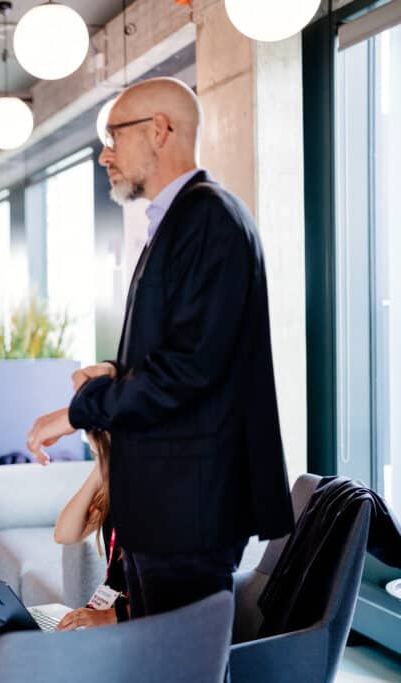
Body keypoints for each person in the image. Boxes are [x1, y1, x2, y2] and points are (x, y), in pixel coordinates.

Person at [27, 77, 294, 619]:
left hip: (189, 509)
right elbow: (184, 349)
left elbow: (189, 368)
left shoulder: (209, 218)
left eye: (113, 137)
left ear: (159, 130)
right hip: (167, 508)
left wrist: (78, 412)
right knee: (156, 658)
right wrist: (115, 370)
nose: (104, 155)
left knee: (181, 661)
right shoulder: (179, 220)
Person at [52, 431, 129, 630]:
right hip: (113, 613)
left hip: (139, 622)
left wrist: (109, 616)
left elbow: (174, 599)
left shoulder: (155, 496)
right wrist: (100, 469)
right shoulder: (112, 490)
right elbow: (63, 534)